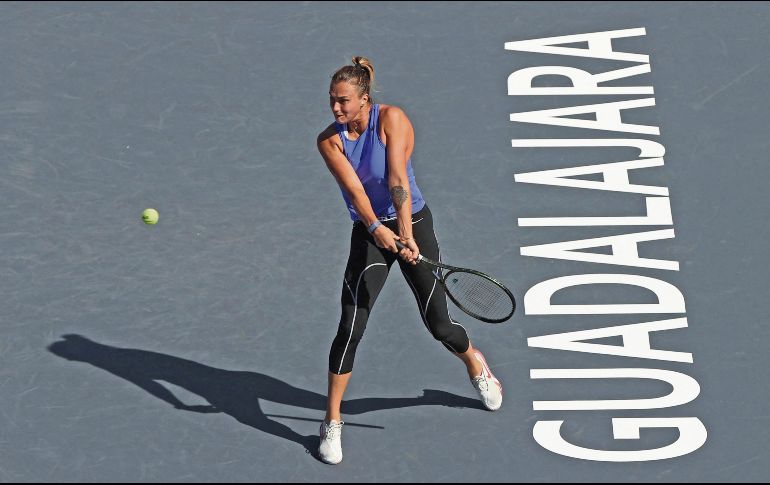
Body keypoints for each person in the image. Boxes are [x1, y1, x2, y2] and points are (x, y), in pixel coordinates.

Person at [315, 56, 503, 465]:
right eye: (332, 100)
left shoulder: (392, 119)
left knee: (438, 324)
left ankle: (474, 361)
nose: (336, 109)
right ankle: (332, 421)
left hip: (412, 220)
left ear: (365, 99)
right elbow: (355, 193)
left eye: (343, 101)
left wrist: (405, 234)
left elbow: (397, 177)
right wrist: (378, 230)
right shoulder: (329, 141)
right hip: (370, 230)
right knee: (351, 323)